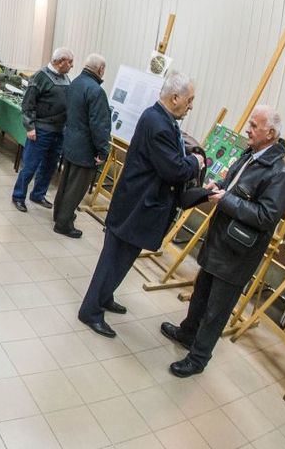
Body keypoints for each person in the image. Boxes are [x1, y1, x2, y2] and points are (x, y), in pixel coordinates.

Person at [161, 105, 285, 377]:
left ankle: (198, 359)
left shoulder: (279, 172)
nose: (248, 128)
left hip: (238, 252)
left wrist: (228, 200)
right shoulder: (252, 154)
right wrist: (219, 188)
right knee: (201, 294)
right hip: (221, 240)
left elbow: (267, 216)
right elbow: (236, 187)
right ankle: (187, 333)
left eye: (254, 126)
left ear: (270, 133)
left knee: (217, 309)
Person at [78, 71, 204, 339]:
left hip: (140, 206)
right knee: (112, 260)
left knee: (123, 260)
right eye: (190, 100)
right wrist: (196, 163)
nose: (191, 106)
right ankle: (90, 310)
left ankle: (105, 296)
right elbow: (174, 169)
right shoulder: (157, 123)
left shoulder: (163, 119)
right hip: (135, 207)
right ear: (174, 97)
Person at [52, 54, 110, 238]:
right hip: (85, 148)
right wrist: (103, 150)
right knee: (76, 188)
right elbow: (99, 125)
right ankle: (63, 224)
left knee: (65, 183)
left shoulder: (76, 82)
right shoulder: (96, 91)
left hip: (70, 141)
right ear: (100, 70)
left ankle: (59, 214)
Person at [11, 47, 74, 213]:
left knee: (49, 166)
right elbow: (28, 104)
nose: (72, 65)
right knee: (31, 165)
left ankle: (38, 194)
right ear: (60, 62)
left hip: (59, 131)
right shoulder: (41, 76)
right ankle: (18, 196)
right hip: (41, 130)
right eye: (70, 62)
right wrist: (30, 127)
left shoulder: (66, 78)